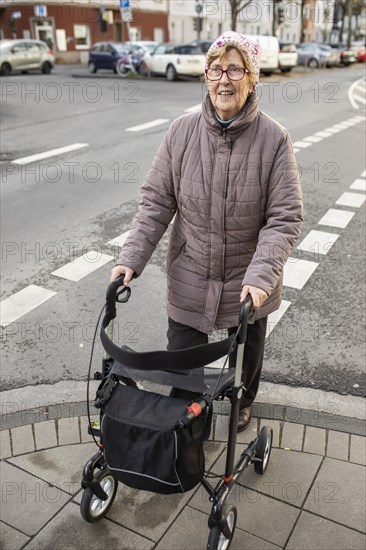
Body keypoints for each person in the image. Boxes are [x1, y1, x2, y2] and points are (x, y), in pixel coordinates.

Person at [111, 31, 303, 432]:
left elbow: (284, 217)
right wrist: (131, 258)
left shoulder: (274, 139)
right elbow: (156, 203)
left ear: (252, 78)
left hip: (249, 276)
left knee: (245, 355)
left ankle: (242, 402)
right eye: (216, 69)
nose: (224, 79)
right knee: (183, 361)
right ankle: (185, 421)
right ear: (207, 76)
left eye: (235, 68)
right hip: (191, 271)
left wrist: (261, 277)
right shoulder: (181, 132)